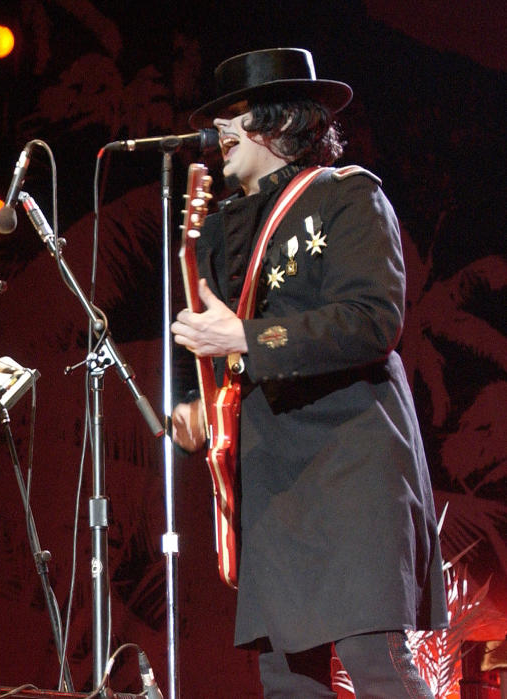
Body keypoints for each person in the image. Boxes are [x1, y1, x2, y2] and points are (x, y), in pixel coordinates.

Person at [170, 48, 447, 697]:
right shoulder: (217, 232)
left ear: (277, 119)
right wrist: (196, 409)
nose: (221, 133)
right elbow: (217, 353)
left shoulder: (347, 193)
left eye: (234, 115)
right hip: (273, 479)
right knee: (289, 680)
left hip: (351, 462)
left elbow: (371, 319)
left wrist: (244, 336)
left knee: (374, 661)